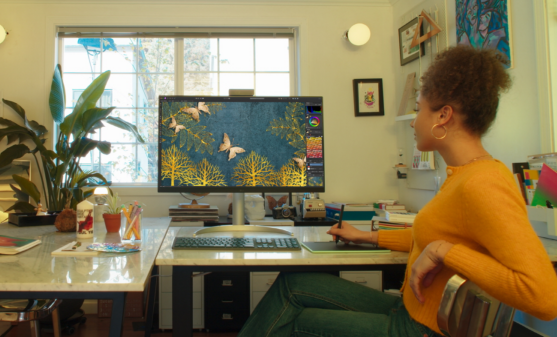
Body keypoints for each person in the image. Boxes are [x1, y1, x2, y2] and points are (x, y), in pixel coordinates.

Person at [237, 46, 557, 337]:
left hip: (422, 329)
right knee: (291, 285)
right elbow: (434, 234)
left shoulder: (484, 182)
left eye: (419, 110)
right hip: (410, 311)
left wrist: (444, 252)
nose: (413, 121)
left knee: (294, 321)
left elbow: (544, 297)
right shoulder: (462, 175)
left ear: (443, 116)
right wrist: (366, 237)